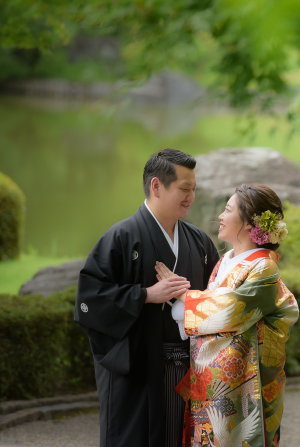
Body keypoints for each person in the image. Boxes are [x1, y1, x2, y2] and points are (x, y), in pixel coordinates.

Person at [75, 148, 221, 447]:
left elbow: (218, 299)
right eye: (184, 189)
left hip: (189, 368)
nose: (190, 197)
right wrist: (144, 295)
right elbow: (89, 300)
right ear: (156, 186)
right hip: (139, 367)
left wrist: (189, 299)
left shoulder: (200, 242)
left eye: (193, 189)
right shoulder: (122, 237)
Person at [156, 183, 299, 447]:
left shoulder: (264, 267)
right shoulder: (224, 262)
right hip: (214, 378)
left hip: (246, 379)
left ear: (248, 223)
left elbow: (233, 309)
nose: (220, 216)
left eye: (228, 210)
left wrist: (182, 296)